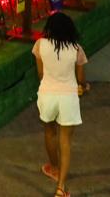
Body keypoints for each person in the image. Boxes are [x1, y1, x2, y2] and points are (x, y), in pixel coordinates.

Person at [35, 12, 89, 197]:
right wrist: (84, 87)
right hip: (68, 98)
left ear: (49, 28)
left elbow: (41, 75)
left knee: (49, 132)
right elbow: (81, 80)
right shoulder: (76, 49)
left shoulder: (40, 45)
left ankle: (54, 167)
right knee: (65, 141)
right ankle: (60, 187)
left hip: (47, 95)